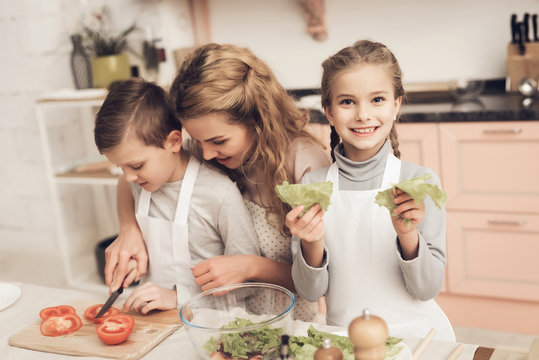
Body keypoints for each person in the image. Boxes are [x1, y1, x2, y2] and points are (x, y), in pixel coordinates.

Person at [106, 43, 332, 321]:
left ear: (257, 119)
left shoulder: (306, 163)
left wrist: (251, 267)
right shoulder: (203, 147)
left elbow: (323, 280)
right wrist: (129, 229)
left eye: (218, 141)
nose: (207, 153)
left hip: (289, 320)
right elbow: (128, 179)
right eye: (198, 139)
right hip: (228, 320)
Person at [286, 39, 455, 340]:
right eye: (347, 102)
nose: (363, 114)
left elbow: (427, 289)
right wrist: (312, 241)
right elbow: (311, 292)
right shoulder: (313, 186)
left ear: (396, 104)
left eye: (377, 99)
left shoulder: (419, 182)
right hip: (345, 339)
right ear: (329, 111)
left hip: (419, 338)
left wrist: (407, 234)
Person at [94, 78, 260, 313]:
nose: (129, 177)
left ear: (173, 142)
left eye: (137, 165)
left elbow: (249, 283)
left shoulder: (218, 194)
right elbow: (125, 183)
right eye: (121, 168)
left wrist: (177, 297)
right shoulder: (140, 183)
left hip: (211, 322)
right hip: (155, 317)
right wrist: (134, 258)